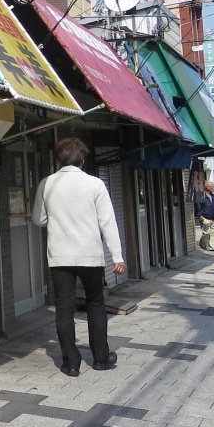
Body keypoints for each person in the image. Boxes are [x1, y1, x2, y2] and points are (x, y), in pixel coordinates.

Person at [34, 137, 126, 377]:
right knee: (96, 305)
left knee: (64, 309)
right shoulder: (95, 184)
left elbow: (39, 219)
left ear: (59, 159)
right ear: (82, 160)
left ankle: (71, 363)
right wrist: (117, 255)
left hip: (60, 256)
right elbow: (108, 222)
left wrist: (58, 217)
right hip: (90, 256)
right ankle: (101, 359)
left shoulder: (47, 183)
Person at [197, 181, 214, 251]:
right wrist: (200, 215)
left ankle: (213, 246)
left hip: (213, 217)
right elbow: (198, 206)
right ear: (207, 187)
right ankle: (202, 243)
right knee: (206, 232)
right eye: (212, 187)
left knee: (213, 232)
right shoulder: (202, 196)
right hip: (205, 217)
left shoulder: (213, 196)